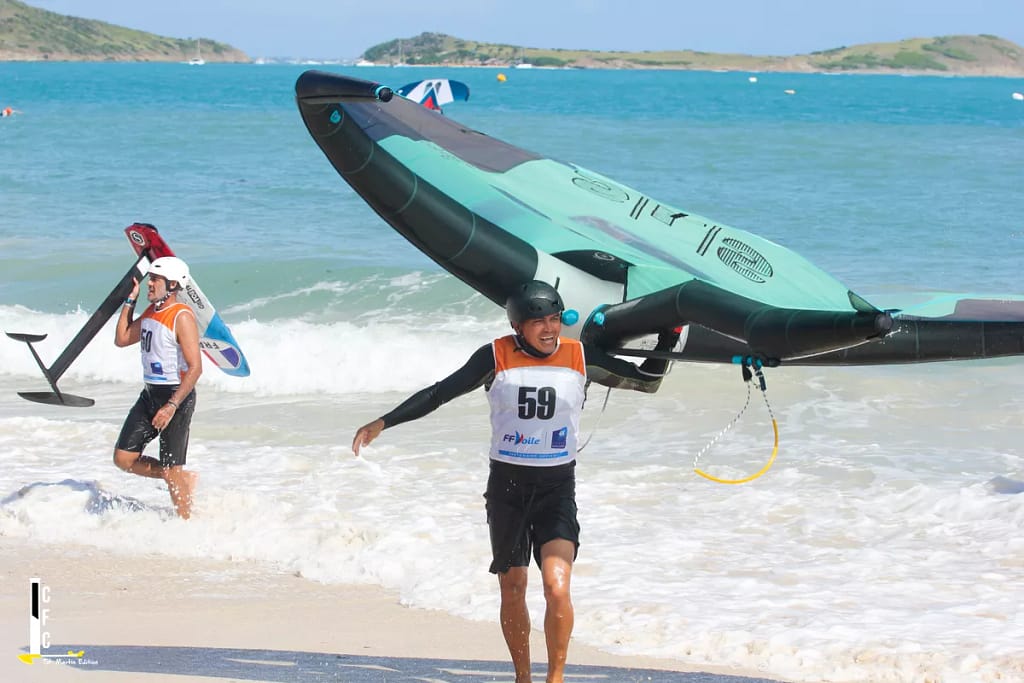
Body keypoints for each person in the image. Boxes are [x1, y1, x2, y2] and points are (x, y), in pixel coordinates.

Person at [351, 280, 679, 683]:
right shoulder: (495, 356)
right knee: (513, 587)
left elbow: (646, 381)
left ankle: (555, 678)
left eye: (554, 319)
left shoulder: (579, 356)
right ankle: (523, 677)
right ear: (517, 326)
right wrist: (385, 421)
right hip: (507, 490)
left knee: (556, 586)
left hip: (556, 490)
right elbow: (439, 393)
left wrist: (669, 334)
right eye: (538, 322)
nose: (549, 329)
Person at [113, 256, 202, 519]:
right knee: (123, 459)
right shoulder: (152, 311)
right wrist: (130, 301)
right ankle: (182, 478)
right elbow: (122, 338)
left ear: (172, 284)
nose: (149, 284)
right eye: (150, 278)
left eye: (155, 279)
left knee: (173, 469)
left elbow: (195, 368)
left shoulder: (181, 317)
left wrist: (171, 406)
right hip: (150, 394)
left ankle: (186, 522)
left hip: (176, 397)